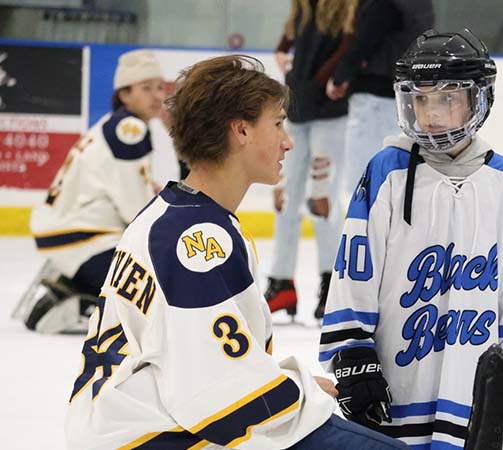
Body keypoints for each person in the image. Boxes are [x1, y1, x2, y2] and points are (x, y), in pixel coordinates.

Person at [64, 54, 410, 450]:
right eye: (278, 124)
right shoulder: (198, 242)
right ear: (240, 131)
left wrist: (284, 381)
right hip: (154, 436)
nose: (288, 140)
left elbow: (197, 361)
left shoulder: (172, 214)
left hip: (129, 425)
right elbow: (222, 400)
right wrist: (300, 393)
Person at [318, 30, 503, 449]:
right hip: (395, 385)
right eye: (420, 99)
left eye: (447, 99)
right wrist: (352, 353)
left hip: (469, 385)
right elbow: (355, 270)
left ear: (479, 99)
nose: (431, 114)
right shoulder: (387, 170)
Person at [24, 49, 165, 334]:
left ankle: (75, 284)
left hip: (66, 234)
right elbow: (135, 211)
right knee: (162, 288)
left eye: (160, 87)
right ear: (124, 94)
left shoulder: (111, 124)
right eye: (146, 88)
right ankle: (84, 299)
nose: (157, 96)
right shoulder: (129, 129)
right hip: (86, 239)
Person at [266, 0, 357, 320]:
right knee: (285, 196)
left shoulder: (348, 8)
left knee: (322, 200)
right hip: (297, 109)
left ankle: (330, 283)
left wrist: (315, 83)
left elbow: (348, 51)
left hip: (329, 113)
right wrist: (289, 69)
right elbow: (285, 43)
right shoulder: (302, 8)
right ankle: (281, 282)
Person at [325, 0, 433, 217]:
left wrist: (340, 77)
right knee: (393, 171)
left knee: (363, 176)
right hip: (403, 98)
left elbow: (364, 41)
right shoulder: (420, 6)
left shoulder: (386, 4)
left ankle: (363, 234)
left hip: (374, 97)